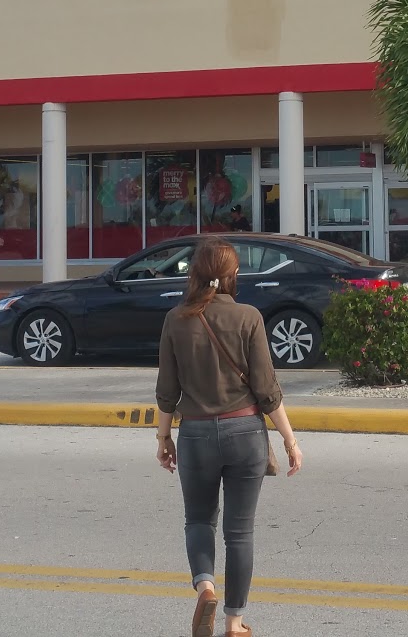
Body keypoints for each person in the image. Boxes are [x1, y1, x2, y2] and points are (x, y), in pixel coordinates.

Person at [155, 236, 303, 637]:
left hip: (196, 434)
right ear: (233, 274)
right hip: (244, 432)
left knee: (198, 520)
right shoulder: (248, 316)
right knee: (240, 532)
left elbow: (167, 390)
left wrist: (164, 438)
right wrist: (289, 440)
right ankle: (234, 622)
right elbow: (266, 390)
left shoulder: (176, 319)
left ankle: (205, 587)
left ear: (196, 273)